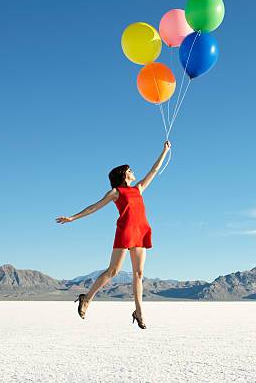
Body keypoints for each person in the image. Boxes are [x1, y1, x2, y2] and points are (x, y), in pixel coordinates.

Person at [55, 140, 171, 329]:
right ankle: (87, 298)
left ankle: (139, 311)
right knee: (113, 271)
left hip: (141, 230)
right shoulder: (116, 192)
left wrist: (164, 151)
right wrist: (72, 218)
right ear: (123, 175)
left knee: (139, 273)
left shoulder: (138, 188)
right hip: (125, 231)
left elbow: (154, 170)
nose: (133, 172)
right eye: (130, 170)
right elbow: (94, 207)